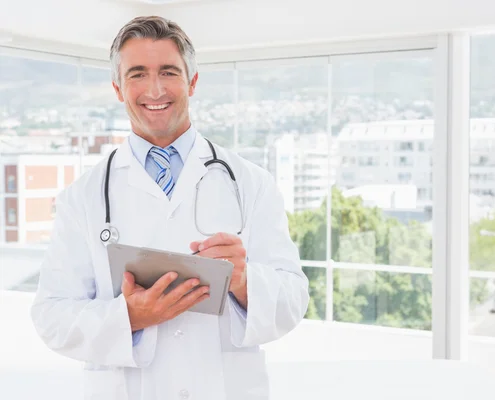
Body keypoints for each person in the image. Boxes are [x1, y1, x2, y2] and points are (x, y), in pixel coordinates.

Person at [30, 15, 309, 400]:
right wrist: (128, 318)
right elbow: (52, 316)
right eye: (138, 74)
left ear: (192, 82)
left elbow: (294, 298)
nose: (155, 89)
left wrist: (245, 282)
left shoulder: (249, 182)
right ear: (118, 87)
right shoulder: (83, 197)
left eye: (168, 72)